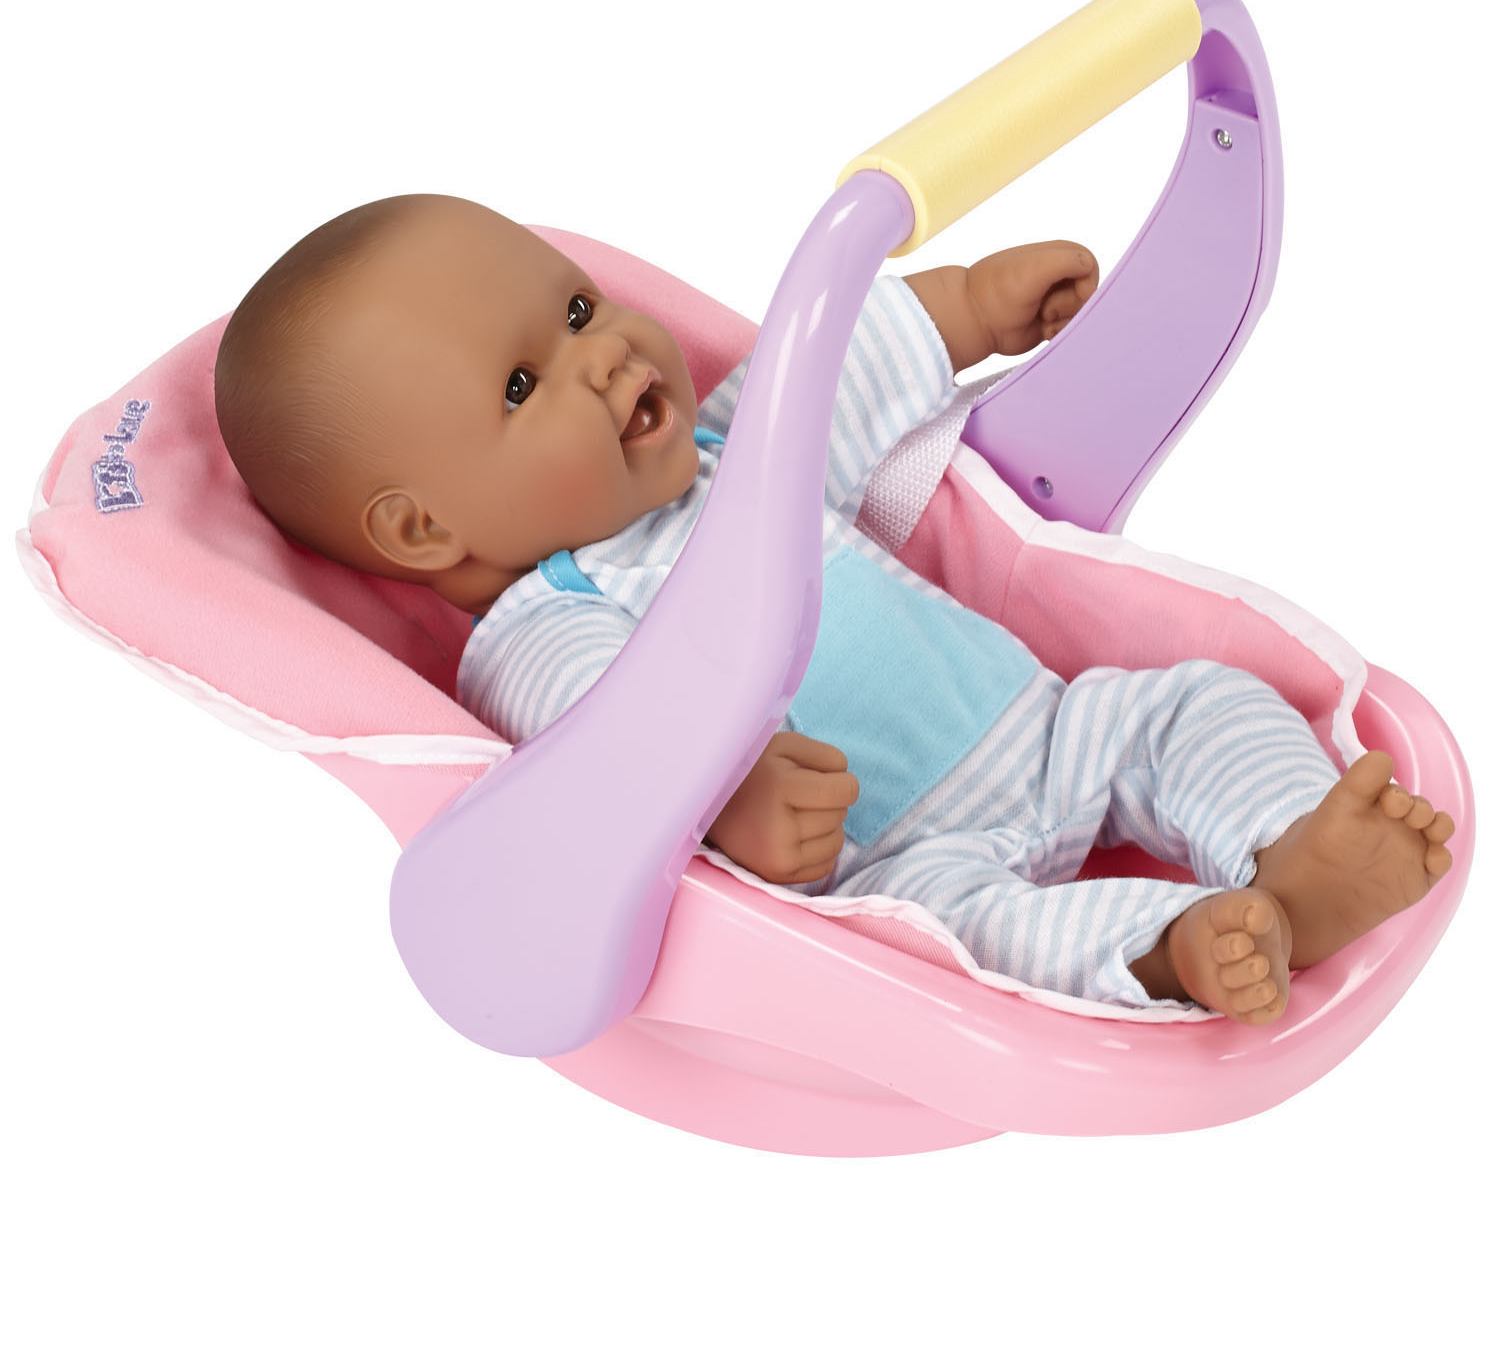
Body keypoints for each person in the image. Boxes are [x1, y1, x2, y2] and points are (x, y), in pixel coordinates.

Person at [213, 193, 1455, 1024]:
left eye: (579, 310)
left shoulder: (727, 449)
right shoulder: (540, 632)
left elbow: (837, 362)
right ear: (423, 530)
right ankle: (1189, 945)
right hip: (901, 862)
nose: (603, 355)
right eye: (525, 383)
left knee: (1199, 705)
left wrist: (970, 304)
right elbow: (615, 756)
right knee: (980, 948)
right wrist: (731, 800)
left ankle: (1295, 846)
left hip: (1051, 726)